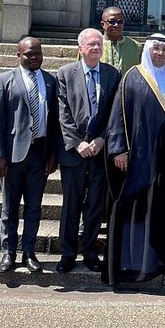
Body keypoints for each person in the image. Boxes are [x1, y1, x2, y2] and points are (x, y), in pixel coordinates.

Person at [104, 34, 165, 283]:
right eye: (156, 49)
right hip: (139, 159)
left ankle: (163, 260)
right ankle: (132, 263)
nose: (160, 54)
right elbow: (118, 116)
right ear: (147, 51)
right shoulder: (133, 76)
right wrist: (120, 149)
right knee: (138, 208)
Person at [0, 37, 59, 273]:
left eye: (38, 53)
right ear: (19, 55)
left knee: (34, 207)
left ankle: (29, 251)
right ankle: (8, 252)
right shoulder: (4, 80)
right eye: (29, 54)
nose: (35, 57)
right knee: (10, 207)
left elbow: (55, 121)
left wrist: (53, 154)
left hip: (40, 153)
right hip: (12, 154)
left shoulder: (51, 80)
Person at [56, 28, 121, 274]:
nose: (95, 48)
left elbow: (114, 111)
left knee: (95, 205)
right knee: (71, 204)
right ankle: (67, 253)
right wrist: (76, 142)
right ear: (80, 48)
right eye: (91, 45)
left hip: (99, 152)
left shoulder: (112, 74)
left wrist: (102, 139)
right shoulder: (65, 74)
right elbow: (62, 111)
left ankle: (90, 252)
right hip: (74, 152)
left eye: (98, 45)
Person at [100, 6, 142, 75]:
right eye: (111, 22)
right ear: (103, 24)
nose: (116, 25)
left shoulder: (136, 47)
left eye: (120, 22)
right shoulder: (92, 45)